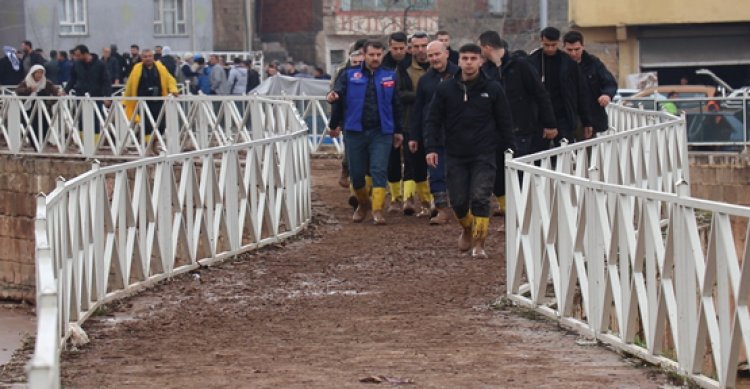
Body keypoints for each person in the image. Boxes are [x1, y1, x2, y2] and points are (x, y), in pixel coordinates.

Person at [424, 44, 514, 258]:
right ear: (459, 60)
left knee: (481, 198)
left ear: (481, 61)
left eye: (474, 58)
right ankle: (466, 228)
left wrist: (510, 147)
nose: (469, 62)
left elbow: (505, 120)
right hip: (455, 153)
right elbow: (433, 119)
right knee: (458, 201)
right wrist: (431, 147)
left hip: (484, 153)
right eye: (465, 58)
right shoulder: (446, 89)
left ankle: (479, 244)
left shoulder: (492, 88)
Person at [479, 30, 557, 221]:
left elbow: (540, 94)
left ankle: (523, 214)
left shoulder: (521, 66)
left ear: (487, 47)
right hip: (494, 131)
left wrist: (549, 123)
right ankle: (509, 209)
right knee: (497, 173)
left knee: (519, 174)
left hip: (522, 128)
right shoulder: (486, 71)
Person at [328, 41, 404, 225]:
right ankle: (363, 204)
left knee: (379, 170)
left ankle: (378, 210)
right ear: (364, 54)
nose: (375, 58)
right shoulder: (348, 75)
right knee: (356, 174)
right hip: (355, 131)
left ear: (382, 54)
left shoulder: (390, 76)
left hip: (381, 132)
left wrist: (399, 131)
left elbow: (396, 105)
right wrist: (333, 122)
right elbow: (337, 96)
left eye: (379, 55)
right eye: (372, 55)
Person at [410, 40, 459, 225]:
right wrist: (414, 136)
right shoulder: (425, 80)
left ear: (446, 53)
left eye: (437, 54)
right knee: (436, 173)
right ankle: (442, 210)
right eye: (430, 56)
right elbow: (418, 110)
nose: (434, 59)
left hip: (459, 134)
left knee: (458, 173)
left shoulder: (460, 75)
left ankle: (462, 207)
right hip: (434, 134)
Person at [528, 27, 592, 145]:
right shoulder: (532, 62)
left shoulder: (568, 62)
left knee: (565, 152)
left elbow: (581, 92)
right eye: (547, 45)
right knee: (537, 155)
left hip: (564, 115)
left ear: (558, 42)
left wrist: (586, 121)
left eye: (553, 45)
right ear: (541, 41)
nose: (550, 49)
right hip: (538, 117)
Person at [562, 30, 618, 136]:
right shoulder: (559, 65)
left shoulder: (593, 63)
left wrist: (606, 95)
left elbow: (609, 82)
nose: (573, 53)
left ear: (583, 47)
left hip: (590, 114)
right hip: (566, 115)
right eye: (569, 50)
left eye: (576, 49)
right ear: (564, 48)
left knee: (587, 150)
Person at [401, 31, 432, 217]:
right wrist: (423, 97)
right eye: (416, 46)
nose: (421, 50)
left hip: (439, 123)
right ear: (410, 48)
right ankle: (410, 198)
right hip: (410, 121)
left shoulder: (441, 66)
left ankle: (438, 201)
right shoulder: (404, 68)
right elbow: (399, 93)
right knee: (412, 163)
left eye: (424, 45)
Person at [381, 32, 412, 213]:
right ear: (389, 46)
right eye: (395, 48)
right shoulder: (383, 64)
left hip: (410, 116)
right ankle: (395, 197)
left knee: (410, 158)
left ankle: (409, 197)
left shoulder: (413, 63)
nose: (399, 52)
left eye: (402, 48)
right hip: (388, 117)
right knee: (392, 160)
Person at [123, 48, 179, 145]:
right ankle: (149, 145)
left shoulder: (160, 68)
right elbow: (129, 85)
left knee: (161, 124)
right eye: (145, 57)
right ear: (141, 58)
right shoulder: (136, 69)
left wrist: (173, 90)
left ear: (153, 57)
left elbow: (170, 79)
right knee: (147, 124)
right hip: (143, 102)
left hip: (158, 101)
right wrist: (125, 101)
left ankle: (154, 142)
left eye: (150, 56)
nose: (148, 59)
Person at [15, 64, 63, 148]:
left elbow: (55, 92)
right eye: (37, 72)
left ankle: (41, 145)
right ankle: (35, 145)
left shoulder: (46, 83)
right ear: (33, 73)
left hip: (45, 109)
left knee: (45, 127)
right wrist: (29, 89)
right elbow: (18, 91)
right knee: (31, 128)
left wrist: (50, 102)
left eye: (41, 73)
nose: (39, 75)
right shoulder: (26, 82)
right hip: (30, 109)